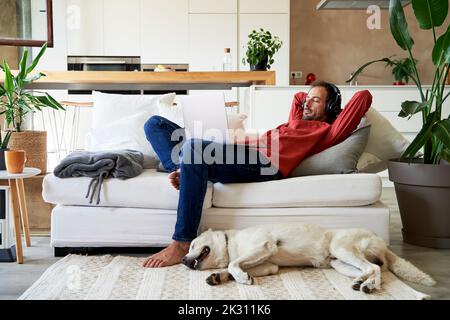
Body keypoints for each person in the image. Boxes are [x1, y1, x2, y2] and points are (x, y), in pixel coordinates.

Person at [142, 80, 372, 268]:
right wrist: (313, 97)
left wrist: (332, 105)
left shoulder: (327, 131)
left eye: (316, 100)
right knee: (155, 124)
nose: (307, 103)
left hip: (266, 164)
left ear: (331, 108)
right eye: (309, 99)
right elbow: (298, 98)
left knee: (193, 147)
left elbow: (363, 96)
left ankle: (182, 241)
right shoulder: (296, 122)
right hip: (240, 153)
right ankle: (189, 169)